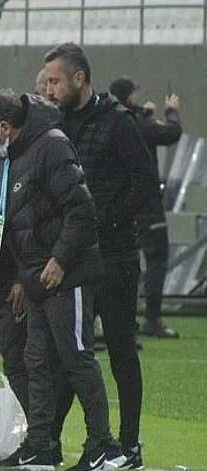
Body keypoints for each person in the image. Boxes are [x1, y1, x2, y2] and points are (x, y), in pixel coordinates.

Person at [0, 89, 123, 471]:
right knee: (37, 360)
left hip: (66, 274)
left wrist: (60, 260)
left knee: (76, 356)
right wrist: (21, 276)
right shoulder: (15, 156)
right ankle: (41, 444)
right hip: (35, 276)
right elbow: (16, 224)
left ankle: (103, 444)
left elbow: (81, 209)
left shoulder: (52, 146)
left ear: (5, 127)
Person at [44, 43, 160, 471]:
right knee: (69, 351)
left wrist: (108, 221)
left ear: (80, 78)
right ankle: (48, 440)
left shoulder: (118, 122)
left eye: (55, 81)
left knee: (120, 349)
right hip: (73, 255)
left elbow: (145, 181)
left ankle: (128, 445)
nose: (50, 90)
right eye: (47, 82)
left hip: (115, 255)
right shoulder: (57, 123)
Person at [109, 76, 182, 338]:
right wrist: (171, 111)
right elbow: (172, 133)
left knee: (123, 261)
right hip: (147, 204)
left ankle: (123, 318)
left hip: (123, 203)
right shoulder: (137, 123)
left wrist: (146, 114)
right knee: (157, 257)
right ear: (129, 96)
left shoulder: (114, 121)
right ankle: (152, 318)